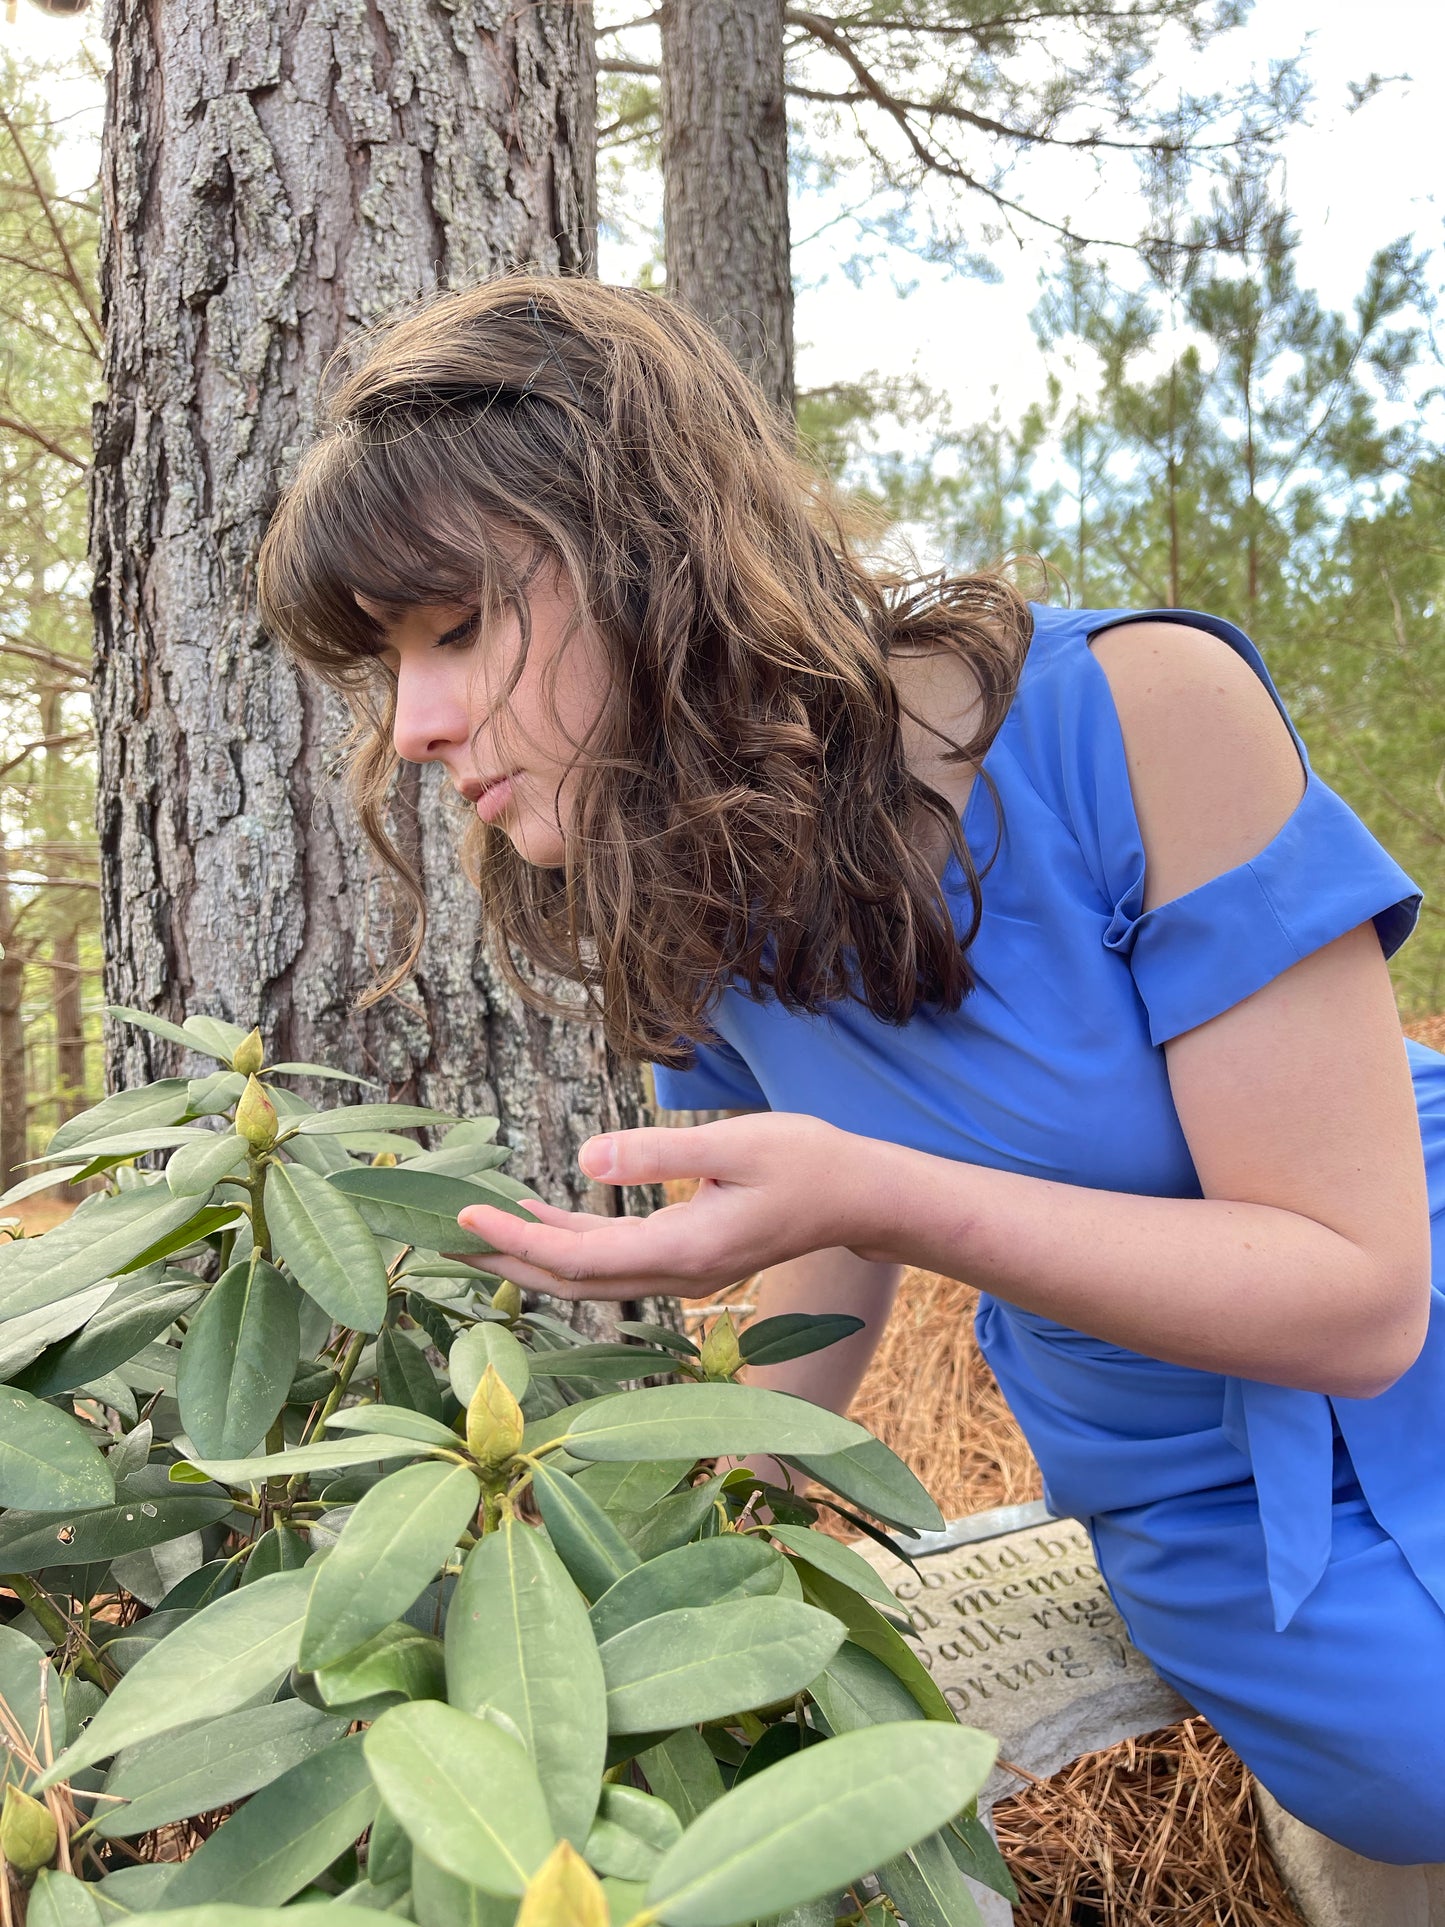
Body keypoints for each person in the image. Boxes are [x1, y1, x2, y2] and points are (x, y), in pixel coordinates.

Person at [256, 274, 1445, 1865]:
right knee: (1409, 1758)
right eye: (387, 664)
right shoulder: (670, 881)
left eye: (458, 628)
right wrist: (623, 1557)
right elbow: (809, 1245)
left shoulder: (1142, 715)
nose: (412, 726)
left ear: (652, 560)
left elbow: (1361, 1297)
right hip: (1186, 1468)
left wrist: (878, 1192)